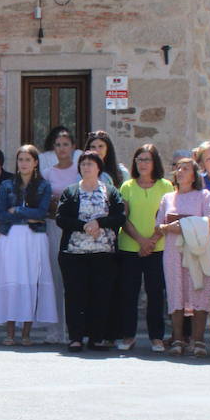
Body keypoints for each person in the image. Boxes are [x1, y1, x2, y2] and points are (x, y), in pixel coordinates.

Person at [55, 151, 126, 353]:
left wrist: (99, 223)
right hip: (74, 254)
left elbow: (120, 216)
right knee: (75, 295)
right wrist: (83, 226)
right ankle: (75, 337)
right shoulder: (70, 192)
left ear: (98, 168)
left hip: (104, 254)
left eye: (90, 164)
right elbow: (61, 218)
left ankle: (96, 338)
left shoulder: (111, 191)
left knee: (100, 296)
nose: (86, 167)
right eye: (83, 164)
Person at [0, 145, 55, 345]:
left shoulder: (44, 186)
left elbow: (42, 212)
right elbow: (1, 214)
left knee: (30, 282)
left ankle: (26, 333)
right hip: (11, 237)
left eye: (28, 159)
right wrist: (27, 216)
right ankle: (10, 333)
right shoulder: (6, 185)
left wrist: (17, 210)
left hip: (34, 238)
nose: (24, 163)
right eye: (21, 159)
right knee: (11, 281)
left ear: (35, 162)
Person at [156, 157, 210, 356]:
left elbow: (209, 220)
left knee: (199, 290)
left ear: (194, 174)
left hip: (196, 250)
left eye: (186, 168)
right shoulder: (167, 198)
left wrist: (185, 223)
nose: (180, 171)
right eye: (178, 168)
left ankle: (198, 340)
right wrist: (169, 227)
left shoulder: (203, 196)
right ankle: (178, 339)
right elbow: (159, 225)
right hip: (173, 251)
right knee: (176, 292)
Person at [115, 144, 173, 353]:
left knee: (156, 293)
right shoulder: (127, 186)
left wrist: (152, 241)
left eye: (147, 159)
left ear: (154, 162)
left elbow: (168, 217)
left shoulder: (166, 186)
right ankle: (128, 335)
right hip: (130, 247)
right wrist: (141, 240)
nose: (143, 163)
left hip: (158, 248)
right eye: (139, 159)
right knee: (128, 293)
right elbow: (124, 217)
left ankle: (157, 337)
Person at [42, 129, 80, 343]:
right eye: (58, 144)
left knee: (73, 280)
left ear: (73, 147)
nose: (62, 148)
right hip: (53, 226)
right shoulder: (47, 173)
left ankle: (74, 329)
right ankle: (55, 330)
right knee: (55, 278)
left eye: (66, 144)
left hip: (75, 229)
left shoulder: (79, 172)